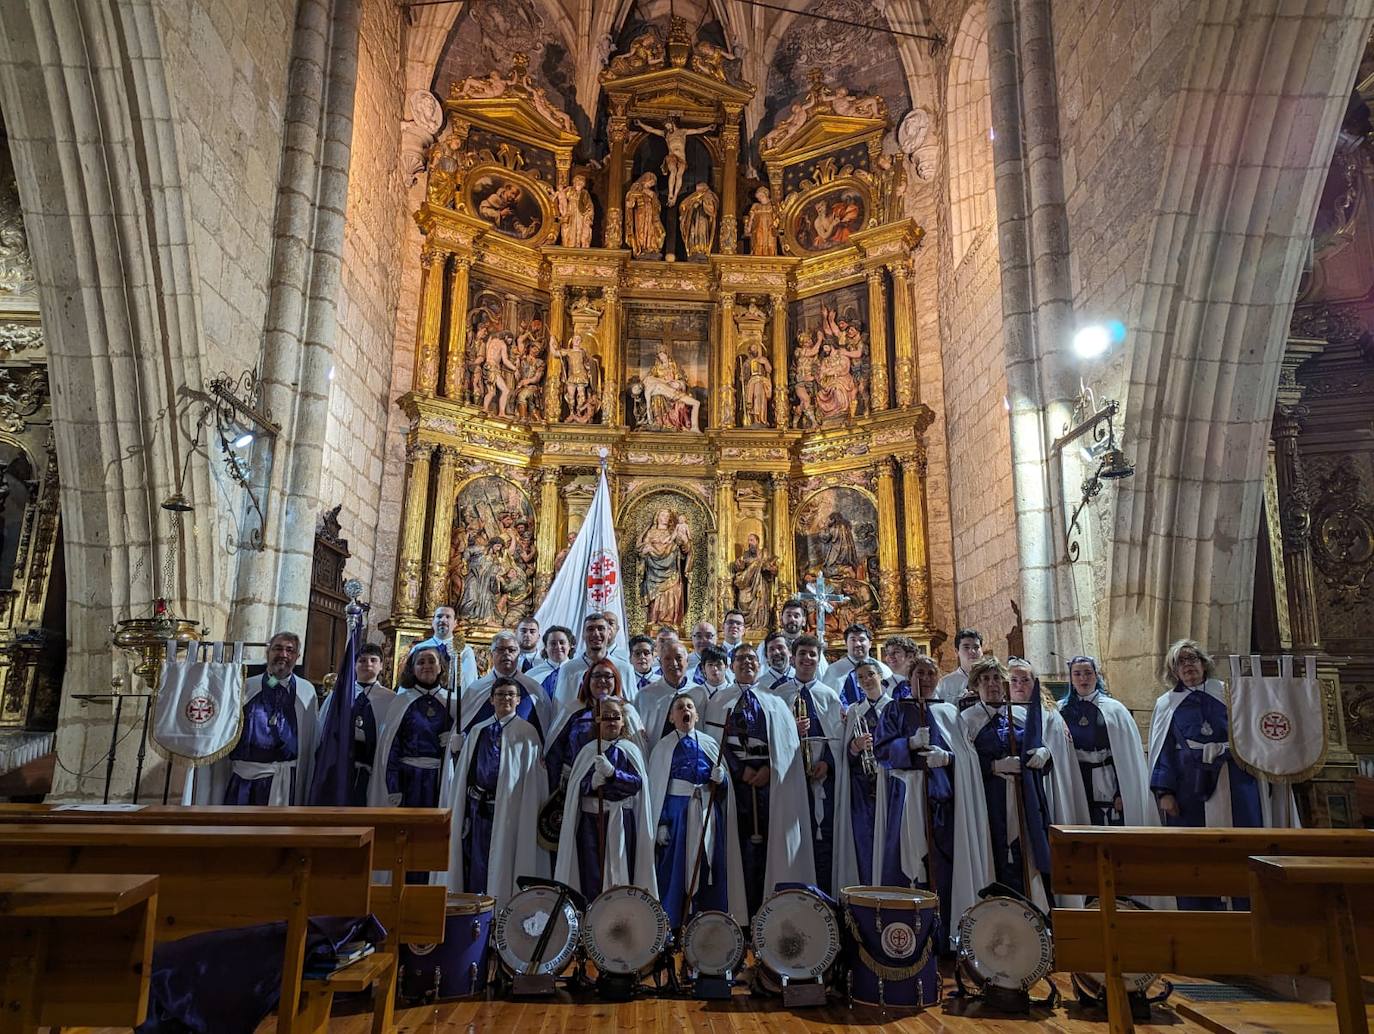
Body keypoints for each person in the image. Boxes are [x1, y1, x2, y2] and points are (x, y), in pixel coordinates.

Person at [1148, 639, 1298, 909]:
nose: (1188, 665)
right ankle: (1201, 908)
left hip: (1236, 777)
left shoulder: (1228, 693)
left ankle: (1249, 902)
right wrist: (1165, 792)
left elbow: (1254, 732)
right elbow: (1164, 749)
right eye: (1181, 662)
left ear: (1204, 663)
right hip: (1189, 786)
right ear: (1173, 670)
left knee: (1245, 840)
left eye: (1192, 659)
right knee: (1195, 850)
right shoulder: (1167, 704)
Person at [873, 654, 989, 950]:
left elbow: (966, 756)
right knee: (907, 865)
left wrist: (948, 758)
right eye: (919, 673)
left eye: (930, 674)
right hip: (907, 801)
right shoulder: (895, 710)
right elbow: (882, 751)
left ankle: (944, 934)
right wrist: (908, 744)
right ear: (909, 676)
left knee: (943, 866)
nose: (925, 679)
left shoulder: (949, 713)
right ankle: (905, 938)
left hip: (943, 802)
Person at [704, 646, 814, 918]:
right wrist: (740, 770)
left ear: (760, 665)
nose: (746, 664)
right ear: (731, 665)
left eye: (752, 659)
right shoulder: (719, 702)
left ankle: (768, 908)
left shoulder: (774, 702)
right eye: (740, 659)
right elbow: (713, 743)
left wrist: (767, 768)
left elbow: (786, 745)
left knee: (768, 847)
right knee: (738, 848)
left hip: (770, 786)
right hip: (736, 786)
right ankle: (739, 910)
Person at [957, 656, 1053, 909]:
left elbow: (1037, 748)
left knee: (1026, 853)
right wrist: (992, 766)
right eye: (985, 679)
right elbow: (961, 765)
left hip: (1023, 797)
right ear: (975, 685)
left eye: (997, 678)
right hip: (989, 799)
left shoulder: (1020, 714)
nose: (993, 684)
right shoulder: (967, 720)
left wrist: (1045, 755)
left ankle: (1033, 911)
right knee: (996, 851)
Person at [441, 677, 546, 907]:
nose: (505, 699)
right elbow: (466, 775)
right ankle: (476, 913)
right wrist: (458, 754)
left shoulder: (528, 733)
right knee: (476, 863)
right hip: (479, 812)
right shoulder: (479, 731)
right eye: (500, 694)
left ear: (518, 700)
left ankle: (502, 915)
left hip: (510, 813)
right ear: (491, 699)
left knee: (504, 863)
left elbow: (534, 782)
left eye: (511, 694)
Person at [647, 694, 746, 931]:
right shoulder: (663, 748)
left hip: (705, 814)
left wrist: (721, 781)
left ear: (697, 715)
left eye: (690, 707)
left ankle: (709, 920)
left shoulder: (709, 744)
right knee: (675, 868)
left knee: (708, 864)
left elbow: (722, 791)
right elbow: (657, 789)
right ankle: (673, 922)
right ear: (672, 717)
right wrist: (660, 822)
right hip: (677, 816)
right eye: (680, 708)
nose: (685, 711)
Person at [186, 631, 318, 806]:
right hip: (245, 781)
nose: (283, 655)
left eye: (290, 650)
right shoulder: (246, 687)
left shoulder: (306, 692)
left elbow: (312, 739)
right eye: (277, 648)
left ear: (297, 656)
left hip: (286, 783)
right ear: (268, 651)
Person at [554, 696, 657, 902]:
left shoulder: (631, 750)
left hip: (621, 821)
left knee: (622, 869)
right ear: (597, 721)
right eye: (606, 717)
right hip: (591, 823)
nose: (611, 721)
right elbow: (574, 787)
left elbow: (637, 784)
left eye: (616, 717)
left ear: (622, 722)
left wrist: (613, 774)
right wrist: (591, 783)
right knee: (592, 872)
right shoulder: (588, 751)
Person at [768, 633, 844, 896]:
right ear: (793, 657)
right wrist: (790, 727)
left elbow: (838, 741)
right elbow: (770, 739)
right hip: (790, 776)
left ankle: (824, 896)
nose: (807, 659)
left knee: (823, 837)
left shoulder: (829, 696)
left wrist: (827, 763)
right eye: (802, 654)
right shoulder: (779, 694)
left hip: (821, 779)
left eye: (813, 654)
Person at [1060, 655, 1155, 828]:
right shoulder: (1061, 710)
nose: (1083, 678)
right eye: (1077, 674)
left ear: (1096, 675)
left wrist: (1122, 791)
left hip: (1107, 779)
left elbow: (1125, 757)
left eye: (1088, 673)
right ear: (1071, 678)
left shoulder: (1115, 710)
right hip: (1075, 777)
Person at [1008, 658, 1090, 833]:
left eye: (1025, 680)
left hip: (1050, 783)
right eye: (1013, 680)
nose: (1019, 685)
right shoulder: (1001, 714)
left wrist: (1049, 753)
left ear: (1035, 682)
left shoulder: (1050, 714)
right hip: (1016, 789)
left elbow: (1063, 750)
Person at [370, 646, 457, 811]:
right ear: (413, 669)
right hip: (407, 780)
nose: (426, 666)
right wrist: (393, 785)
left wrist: (454, 742)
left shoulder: (451, 702)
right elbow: (391, 748)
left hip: (439, 780)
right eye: (420, 662)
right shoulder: (401, 701)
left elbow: (464, 750)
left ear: (441, 667)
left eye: (432, 661)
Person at [545, 659, 647, 794]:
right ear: (588, 680)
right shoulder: (573, 711)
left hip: (619, 787)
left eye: (608, 676)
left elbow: (636, 756)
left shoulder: (627, 711)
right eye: (597, 675)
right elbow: (555, 752)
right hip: (577, 786)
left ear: (616, 680)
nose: (602, 680)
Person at [315, 642, 394, 807]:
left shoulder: (390, 700)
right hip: (338, 770)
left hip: (372, 771)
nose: (368, 664)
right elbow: (322, 730)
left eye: (373, 660)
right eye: (362, 660)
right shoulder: (339, 695)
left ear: (381, 666)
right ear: (355, 665)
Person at [834, 659, 890, 888]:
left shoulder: (893, 707)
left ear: (880, 676)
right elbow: (845, 756)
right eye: (860, 678)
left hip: (888, 783)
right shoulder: (855, 710)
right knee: (864, 842)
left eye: (870, 675)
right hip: (862, 788)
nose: (866, 681)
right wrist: (855, 746)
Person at [549, 612, 635, 732]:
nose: (596, 634)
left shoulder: (624, 668)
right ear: (583, 635)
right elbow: (560, 711)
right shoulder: (568, 669)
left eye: (601, 629)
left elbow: (631, 711)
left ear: (609, 632)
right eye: (590, 629)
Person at [462, 630, 547, 738]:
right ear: (492, 653)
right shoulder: (476, 689)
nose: (506, 654)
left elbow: (542, 730)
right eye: (501, 650)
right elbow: (465, 724)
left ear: (518, 654)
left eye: (512, 650)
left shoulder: (533, 690)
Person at [411, 605, 478, 694]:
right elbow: (409, 678)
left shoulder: (465, 651)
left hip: (454, 702)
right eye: (439, 616)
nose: (443, 620)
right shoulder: (419, 649)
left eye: (448, 617)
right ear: (432, 622)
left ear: (455, 623)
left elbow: (470, 682)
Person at [822, 623, 894, 705]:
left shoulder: (883, 669)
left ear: (870, 643)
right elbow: (827, 702)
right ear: (846, 643)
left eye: (861, 640)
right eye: (853, 640)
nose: (857, 644)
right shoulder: (834, 670)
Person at [636, 641, 691, 747]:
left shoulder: (698, 692)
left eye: (678, 658)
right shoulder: (645, 695)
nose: (674, 663)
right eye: (667, 659)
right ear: (660, 663)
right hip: (657, 756)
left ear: (687, 661)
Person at [756, 598, 829, 678]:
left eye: (796, 616)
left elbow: (823, 675)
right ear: (781, 619)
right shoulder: (768, 644)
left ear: (804, 621)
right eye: (788, 615)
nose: (792, 619)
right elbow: (759, 673)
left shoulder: (811, 646)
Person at [526, 625, 573, 703]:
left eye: (562, 642)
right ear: (546, 647)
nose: (558, 647)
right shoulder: (531, 675)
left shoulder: (579, 672)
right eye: (553, 643)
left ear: (570, 646)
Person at [937, 629, 983, 704]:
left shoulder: (992, 680)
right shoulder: (945, 683)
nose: (972, 651)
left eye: (976, 647)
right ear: (956, 652)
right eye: (966, 647)